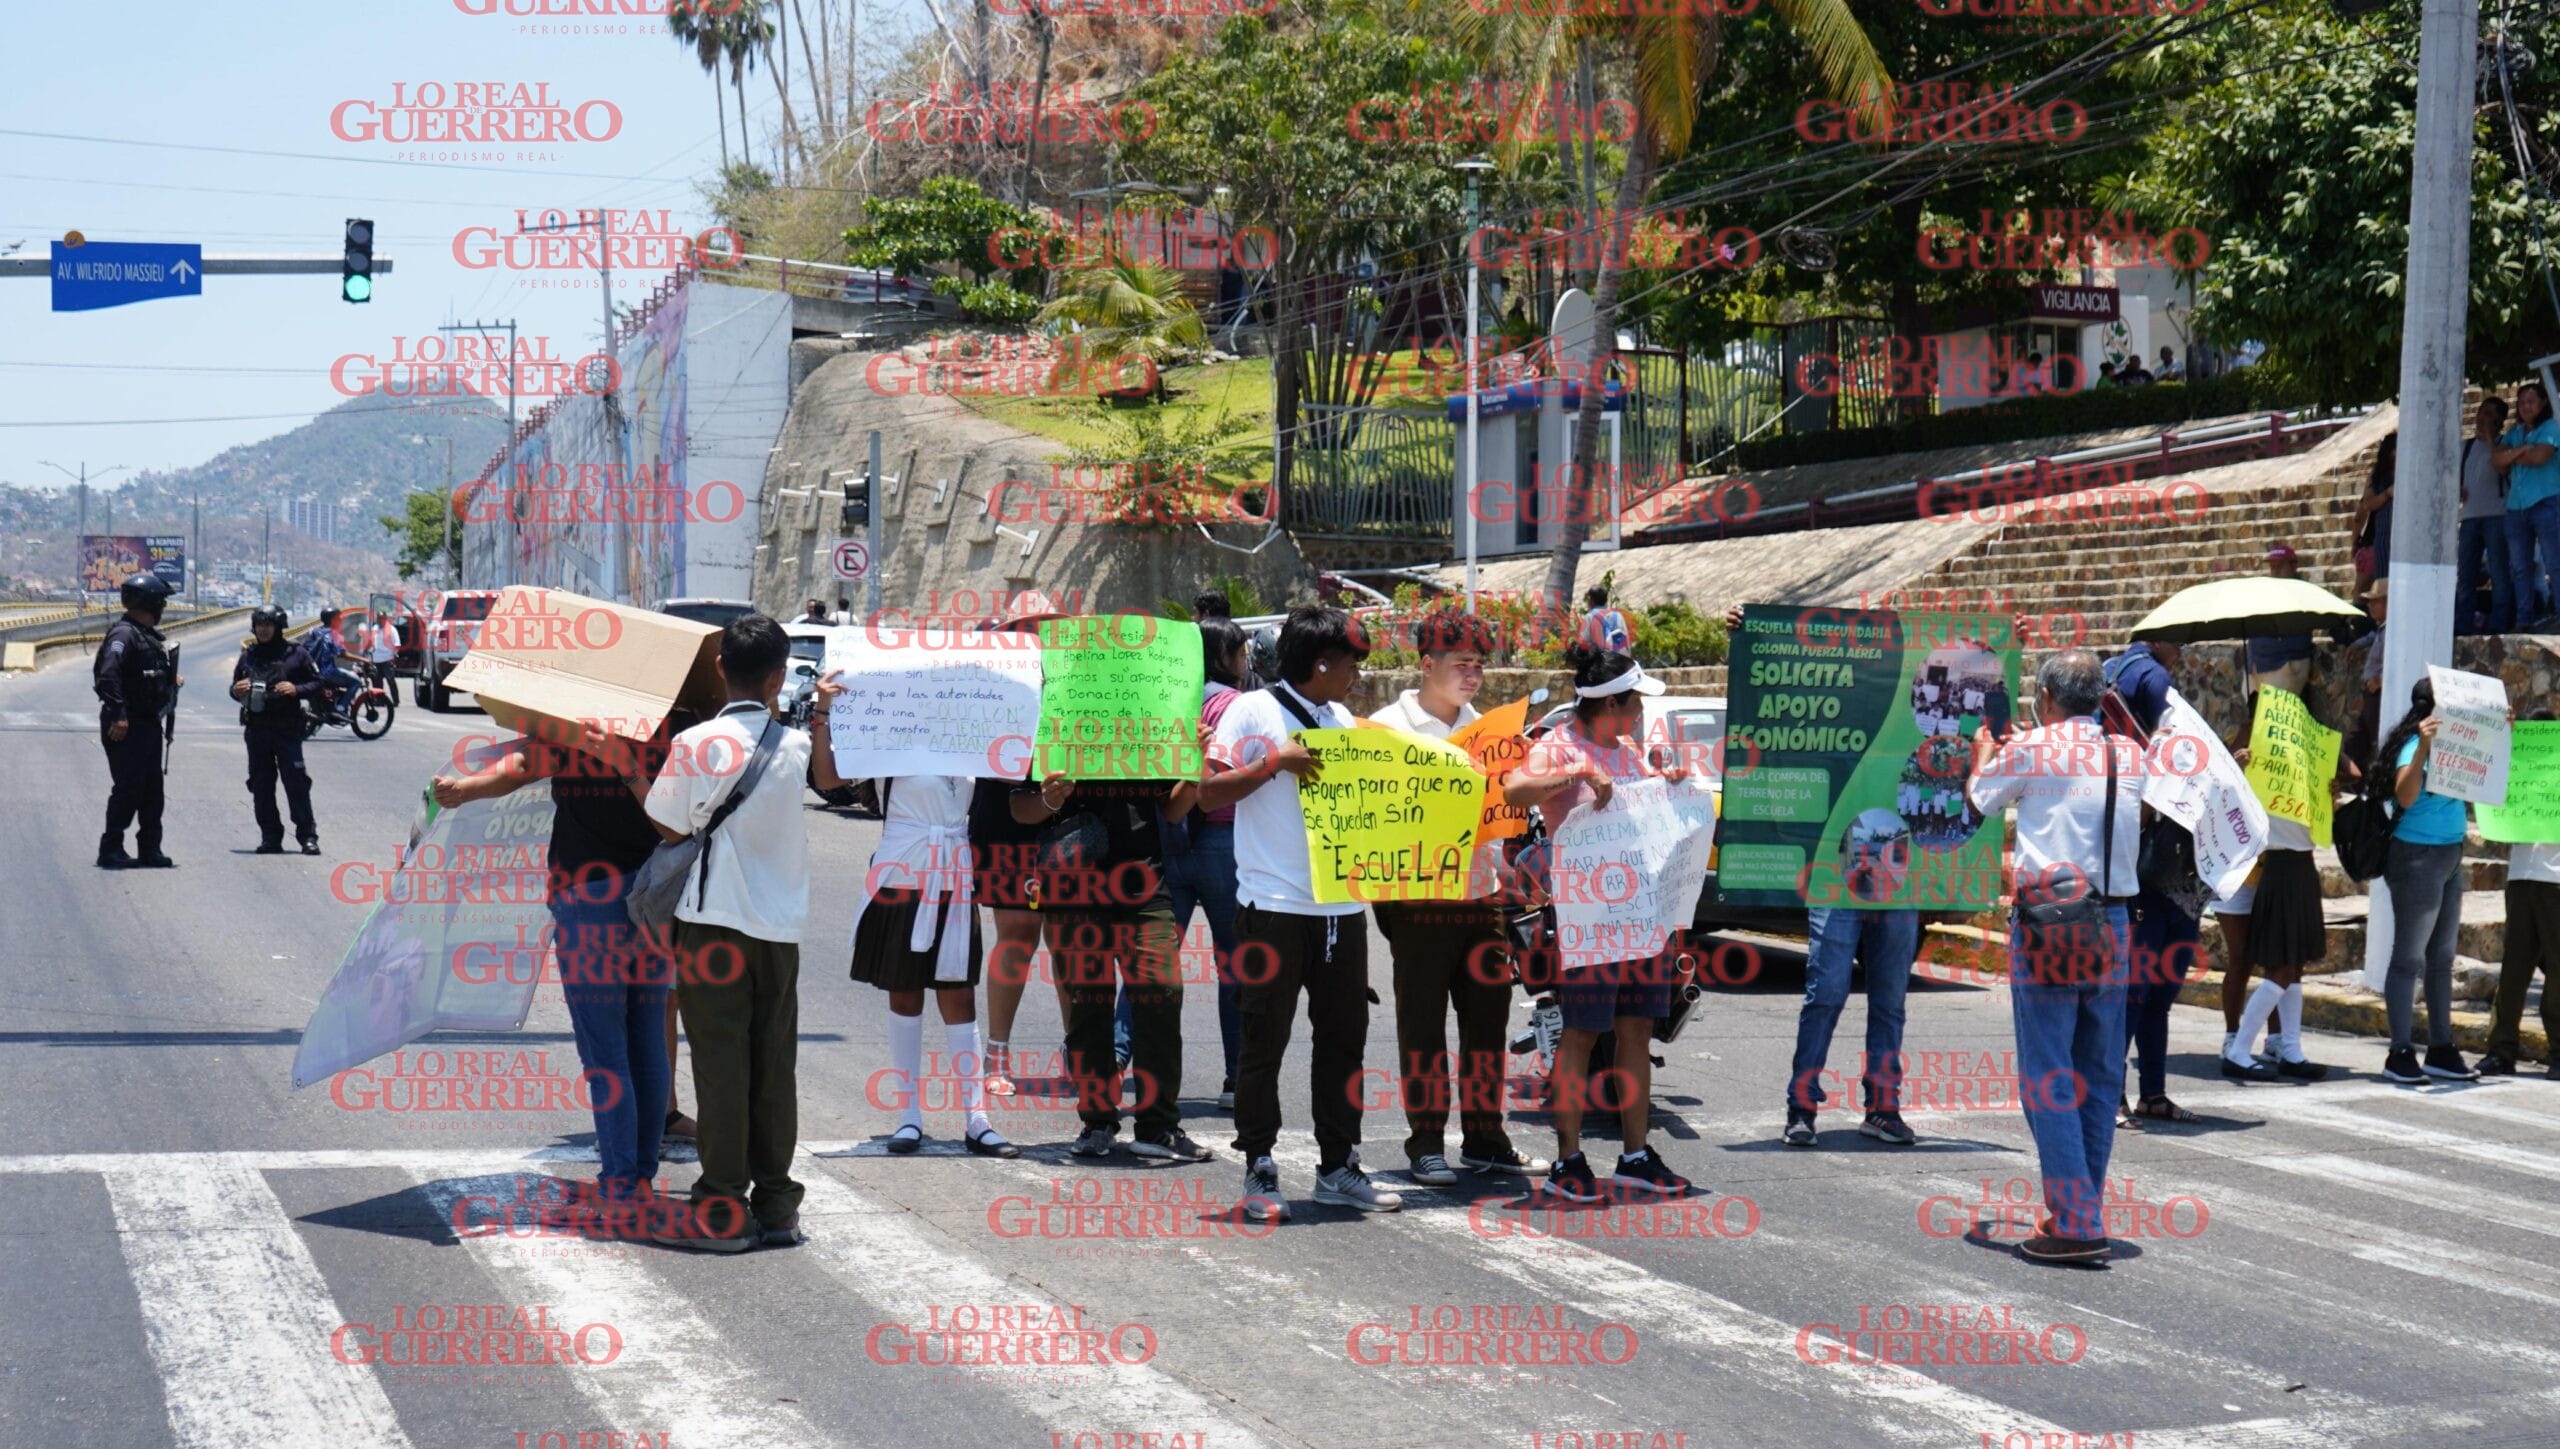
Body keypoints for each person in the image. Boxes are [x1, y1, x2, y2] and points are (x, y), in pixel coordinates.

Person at [432, 709, 697, 1227]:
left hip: (590, 897)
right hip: (657, 896)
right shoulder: (675, 719)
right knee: (646, 1039)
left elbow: (520, 767)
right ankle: (639, 1176)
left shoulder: (575, 716)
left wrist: (463, 790)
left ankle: (620, 1187)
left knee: (606, 1050)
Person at [1202, 604, 1401, 1220]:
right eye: (1351, 663)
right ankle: (1259, 1168)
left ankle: (1338, 1165)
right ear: (1320, 662)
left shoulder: (1343, 719)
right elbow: (1209, 792)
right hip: (1274, 907)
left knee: (1344, 1038)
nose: (1357, 675)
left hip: (1341, 908)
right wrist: (1271, 765)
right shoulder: (1253, 710)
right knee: (1265, 1038)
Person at [1967, 649, 2145, 1264]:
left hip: (2051, 921)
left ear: (2045, 698)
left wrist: (1985, 759)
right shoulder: (2129, 752)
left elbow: (1980, 804)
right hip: (2115, 921)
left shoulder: (2032, 749)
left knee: (2047, 1076)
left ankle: (2074, 1219)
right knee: (2098, 1078)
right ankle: (2081, 1209)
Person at [645, 615, 816, 1251]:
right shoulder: (795, 746)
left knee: (720, 1067)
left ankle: (722, 1205)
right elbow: (832, 778)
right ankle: (777, 1207)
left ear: (720, 668)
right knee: (775, 1065)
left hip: (712, 925)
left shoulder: (695, 742)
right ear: (779, 676)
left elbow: (666, 826)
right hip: (780, 930)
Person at [1503, 645, 1696, 1202]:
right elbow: (1514, 791)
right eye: (1635, 701)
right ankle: (1570, 1160)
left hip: (1640, 916)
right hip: (1589, 918)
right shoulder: (1560, 745)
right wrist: (1577, 770)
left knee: (1636, 1028)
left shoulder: (1631, 746)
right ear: (1611, 702)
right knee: (1583, 1034)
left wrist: (1671, 777)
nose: (1640, 711)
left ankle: (1635, 1155)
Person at [1367, 611, 1546, 1183]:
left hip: (1484, 893)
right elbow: (1373, 819)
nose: (1473, 675)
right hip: (1416, 898)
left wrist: (1555, 773)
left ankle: (1486, 1138)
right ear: (1426, 664)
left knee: (1486, 1024)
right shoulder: (1387, 727)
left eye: (1479, 664)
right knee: (1422, 1024)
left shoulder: (1492, 729)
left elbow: (1510, 805)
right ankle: (1424, 1141)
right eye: (1460, 664)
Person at [1015, 761, 1206, 1163]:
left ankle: (1159, 1126)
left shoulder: (1151, 718)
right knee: (1088, 1003)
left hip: (1145, 886)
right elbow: (1018, 807)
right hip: (1074, 887)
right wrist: (1049, 799)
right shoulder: (1052, 717)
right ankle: (1097, 1120)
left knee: (1162, 993)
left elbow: (1173, 809)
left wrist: (1195, 766)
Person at [826, 758, 1017, 1159]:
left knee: (959, 996)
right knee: (905, 994)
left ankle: (977, 1119)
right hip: (901, 874)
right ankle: (908, 1116)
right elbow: (828, 776)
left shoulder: (969, 734)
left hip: (954, 875)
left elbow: (1014, 767)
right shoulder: (893, 732)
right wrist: (824, 710)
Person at [2098, 639, 2215, 1122]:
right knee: (2134, 993)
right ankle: (2112, 1095)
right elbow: (2139, 821)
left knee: (2160, 997)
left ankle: (2153, 1093)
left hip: (2183, 893)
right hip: (2147, 888)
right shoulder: (2135, 767)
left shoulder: (2184, 758)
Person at [2374, 678, 2481, 1084]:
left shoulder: (2455, 744)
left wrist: (2497, 732)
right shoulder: (2412, 745)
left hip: (2450, 854)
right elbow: (2404, 796)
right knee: (2409, 959)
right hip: (2417, 857)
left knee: (2442, 958)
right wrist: (2421, 747)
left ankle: (2441, 1048)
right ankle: (2399, 1053)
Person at [1168, 616, 1253, 1110]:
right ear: (1224, 657)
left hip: (1168, 835)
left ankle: (1114, 1056)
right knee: (1234, 964)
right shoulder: (1239, 705)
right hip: (1222, 840)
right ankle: (1236, 1076)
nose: (1246, 663)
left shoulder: (1169, 699)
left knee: (1152, 960)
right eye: (1240, 654)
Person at [2481, 707, 2560, 1077]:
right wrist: (2505, 734)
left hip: (2554, 879)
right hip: (2522, 877)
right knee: (2514, 968)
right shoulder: (2516, 765)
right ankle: (2501, 1049)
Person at [94, 572, 180, 869]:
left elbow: (144, 676)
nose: (163, 608)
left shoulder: (146, 637)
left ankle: (150, 849)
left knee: (152, 789)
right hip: (126, 723)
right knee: (129, 786)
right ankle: (111, 848)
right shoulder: (124, 635)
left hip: (147, 723)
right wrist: (118, 714)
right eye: (161, 602)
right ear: (150, 603)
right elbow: (109, 674)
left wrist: (169, 682)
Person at [229, 606, 321, 855]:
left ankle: (307, 836)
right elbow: (234, 688)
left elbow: (317, 683)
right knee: (261, 785)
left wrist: (296, 689)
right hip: (257, 729)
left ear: (278, 627)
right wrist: (237, 690)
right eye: (259, 625)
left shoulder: (297, 654)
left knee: (296, 783)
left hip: (287, 729)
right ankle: (270, 836)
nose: (263, 629)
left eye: (268, 625)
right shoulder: (249, 655)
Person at [2496, 381, 2560, 630]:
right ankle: (2524, 619)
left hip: (2546, 501)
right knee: (2519, 567)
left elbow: (2539, 457)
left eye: (2531, 401)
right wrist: (2522, 448)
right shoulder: (2516, 432)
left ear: (2543, 403)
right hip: (2516, 506)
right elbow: (2497, 461)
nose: (2526, 406)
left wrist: (2512, 455)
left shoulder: (2552, 427)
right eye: (2522, 402)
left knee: (2554, 562)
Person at [2459, 395, 2514, 635]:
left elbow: (2501, 465)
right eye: (2481, 413)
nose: (2483, 418)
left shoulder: (2505, 444)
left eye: (2490, 414)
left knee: (2499, 571)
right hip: (2470, 517)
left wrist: (2491, 438)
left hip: (2497, 516)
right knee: (2466, 573)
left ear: (2500, 420)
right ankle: (2463, 622)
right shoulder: (2466, 446)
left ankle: (2500, 621)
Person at [306, 608, 359, 722]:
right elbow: (343, 654)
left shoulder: (315, 631)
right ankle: (339, 708)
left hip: (313, 670)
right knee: (356, 682)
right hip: (327, 672)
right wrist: (365, 660)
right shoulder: (334, 634)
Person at [1578, 586, 1632, 654]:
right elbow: (1626, 640)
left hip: (1602, 662)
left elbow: (1582, 644)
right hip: (1621, 660)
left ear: (1591, 601)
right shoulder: (1618, 615)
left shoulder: (1589, 617)